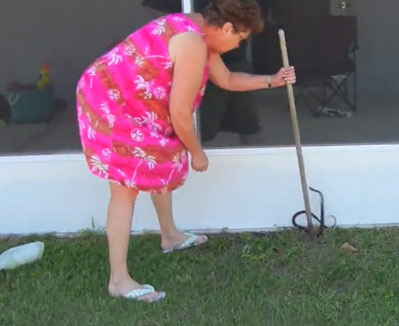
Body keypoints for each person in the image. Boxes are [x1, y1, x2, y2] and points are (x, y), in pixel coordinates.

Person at [75, 0, 295, 303]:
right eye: (239, 39)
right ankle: (118, 280)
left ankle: (170, 236)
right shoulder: (192, 44)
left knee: (160, 155)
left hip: (137, 103)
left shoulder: (200, 28)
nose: (236, 46)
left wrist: (273, 80)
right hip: (112, 103)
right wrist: (197, 152)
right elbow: (180, 114)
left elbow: (227, 79)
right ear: (228, 27)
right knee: (125, 189)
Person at [141, 0, 264, 145]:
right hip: (199, 58)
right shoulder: (192, 40)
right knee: (203, 127)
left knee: (248, 125)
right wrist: (180, 31)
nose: (238, 42)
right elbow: (152, 6)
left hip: (234, 60)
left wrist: (274, 80)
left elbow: (228, 79)